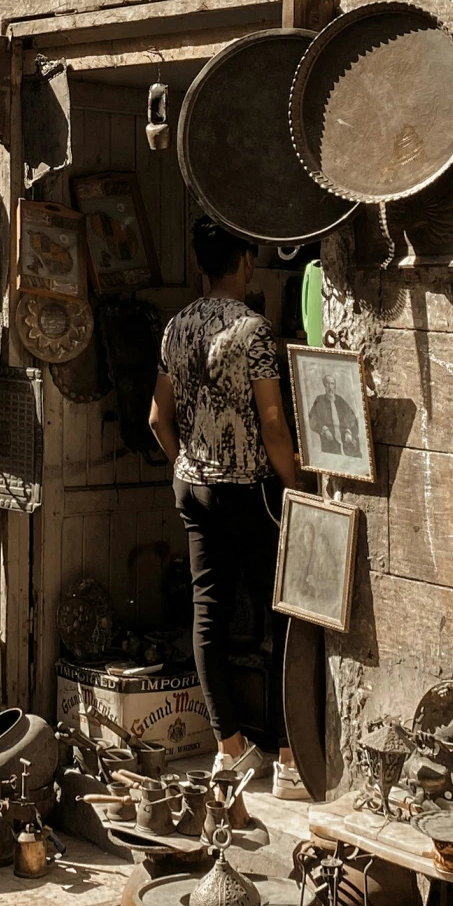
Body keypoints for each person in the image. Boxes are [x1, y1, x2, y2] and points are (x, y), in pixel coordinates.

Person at [149, 215, 305, 799]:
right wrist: (295, 484)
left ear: (200, 266)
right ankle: (290, 757)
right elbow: (271, 421)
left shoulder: (176, 327)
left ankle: (229, 749)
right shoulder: (254, 332)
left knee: (208, 615)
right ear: (244, 263)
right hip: (254, 491)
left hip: (195, 487)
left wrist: (185, 464)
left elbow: (157, 418)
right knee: (284, 616)